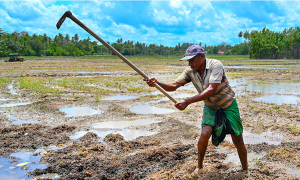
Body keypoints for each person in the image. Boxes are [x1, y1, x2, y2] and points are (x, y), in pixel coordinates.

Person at [145, 45, 248, 171]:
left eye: (192, 60)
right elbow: (174, 85)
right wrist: (157, 83)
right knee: (204, 134)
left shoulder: (216, 65)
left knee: (237, 139)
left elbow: (211, 90)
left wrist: (187, 101)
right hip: (211, 106)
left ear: (202, 57)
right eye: (188, 61)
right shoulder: (190, 71)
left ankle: (245, 169)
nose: (190, 63)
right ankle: (199, 166)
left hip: (227, 104)